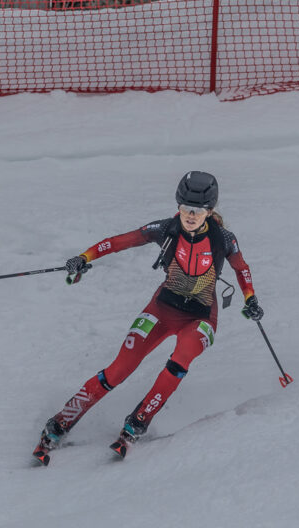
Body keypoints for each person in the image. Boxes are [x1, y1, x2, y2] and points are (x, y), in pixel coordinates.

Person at [33, 171, 264, 464]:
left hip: (201, 316)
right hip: (163, 308)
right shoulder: (165, 229)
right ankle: (62, 421)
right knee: (119, 369)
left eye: (198, 211)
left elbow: (241, 268)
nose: (190, 216)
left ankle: (139, 420)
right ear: (178, 206)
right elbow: (119, 242)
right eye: (185, 209)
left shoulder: (224, 239)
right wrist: (85, 257)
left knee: (182, 356)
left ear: (210, 211)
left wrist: (250, 298)